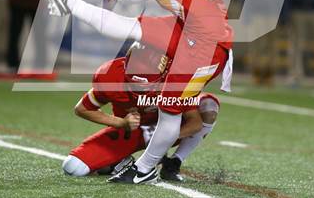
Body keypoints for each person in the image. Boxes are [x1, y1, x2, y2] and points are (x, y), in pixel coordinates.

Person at [40, 0, 238, 184]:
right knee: (133, 28)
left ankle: (144, 170)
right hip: (197, 30)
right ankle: (69, 2)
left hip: (204, 46)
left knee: (169, 110)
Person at [62, 43, 220, 182]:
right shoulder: (111, 75)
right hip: (130, 131)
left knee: (208, 106)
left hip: (166, 129)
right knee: (73, 167)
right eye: (134, 84)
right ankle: (118, 163)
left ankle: (173, 163)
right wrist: (121, 122)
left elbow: (195, 122)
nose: (140, 91)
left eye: (147, 85)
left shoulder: (174, 78)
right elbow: (82, 108)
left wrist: (159, 139)